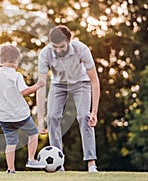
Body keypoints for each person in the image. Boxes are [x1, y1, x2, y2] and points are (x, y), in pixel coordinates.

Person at [36, 25, 100, 173]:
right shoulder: (45, 54)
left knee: (85, 117)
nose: (58, 50)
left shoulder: (81, 49)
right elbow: (41, 86)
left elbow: (95, 81)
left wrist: (94, 111)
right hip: (58, 85)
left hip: (80, 83)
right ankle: (58, 166)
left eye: (62, 46)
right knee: (52, 117)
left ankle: (91, 163)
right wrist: (40, 119)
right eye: (55, 47)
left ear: (69, 41)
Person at [0, 44, 46, 173]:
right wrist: (38, 85)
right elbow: (25, 92)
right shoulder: (16, 76)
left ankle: (11, 169)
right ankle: (31, 159)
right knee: (33, 133)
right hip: (20, 116)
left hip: (4, 118)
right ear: (17, 60)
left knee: (11, 143)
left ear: (0, 61)